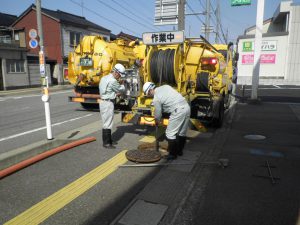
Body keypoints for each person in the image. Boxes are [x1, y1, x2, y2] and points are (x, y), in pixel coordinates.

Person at [143, 82, 191, 159]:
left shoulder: (156, 98)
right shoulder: (166, 86)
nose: (149, 96)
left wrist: (157, 121)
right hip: (186, 107)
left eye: (148, 94)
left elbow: (158, 113)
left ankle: (172, 154)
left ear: (150, 90)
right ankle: (179, 151)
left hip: (177, 110)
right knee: (181, 132)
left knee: (169, 133)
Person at [99, 63, 126, 149]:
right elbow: (120, 89)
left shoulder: (104, 77)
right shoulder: (113, 81)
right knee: (107, 123)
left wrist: (113, 92)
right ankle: (106, 143)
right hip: (108, 103)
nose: (120, 77)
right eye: (120, 75)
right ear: (116, 72)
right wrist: (123, 84)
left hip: (103, 101)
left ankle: (109, 140)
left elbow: (107, 90)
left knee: (107, 121)